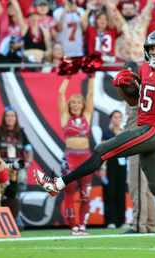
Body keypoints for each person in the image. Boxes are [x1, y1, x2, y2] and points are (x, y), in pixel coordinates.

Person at [34, 30, 155, 240]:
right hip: (148, 131)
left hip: (153, 130)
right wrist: (121, 88)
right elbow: (135, 102)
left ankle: (57, 184)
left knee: (101, 150)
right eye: (152, 48)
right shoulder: (144, 67)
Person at [120, 61, 155, 234]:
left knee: (137, 185)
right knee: (147, 186)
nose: (126, 78)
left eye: (130, 74)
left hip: (138, 141)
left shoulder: (138, 91)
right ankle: (150, 224)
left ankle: (138, 225)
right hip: (146, 139)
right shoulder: (142, 90)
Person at [58, 74, 95, 235]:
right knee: (70, 195)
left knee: (86, 196)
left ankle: (82, 226)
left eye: (79, 102)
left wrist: (92, 76)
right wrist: (68, 76)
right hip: (70, 160)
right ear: (69, 105)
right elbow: (60, 94)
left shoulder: (87, 116)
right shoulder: (65, 117)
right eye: (72, 102)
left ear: (83, 105)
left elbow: (91, 94)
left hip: (86, 159)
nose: (75, 104)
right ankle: (73, 227)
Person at [100, 110, 127, 229]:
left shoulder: (125, 133)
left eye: (119, 117)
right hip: (110, 165)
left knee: (121, 192)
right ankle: (110, 221)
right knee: (110, 192)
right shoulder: (106, 133)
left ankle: (121, 221)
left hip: (122, 165)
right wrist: (103, 167)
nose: (117, 119)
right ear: (111, 119)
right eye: (115, 117)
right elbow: (103, 150)